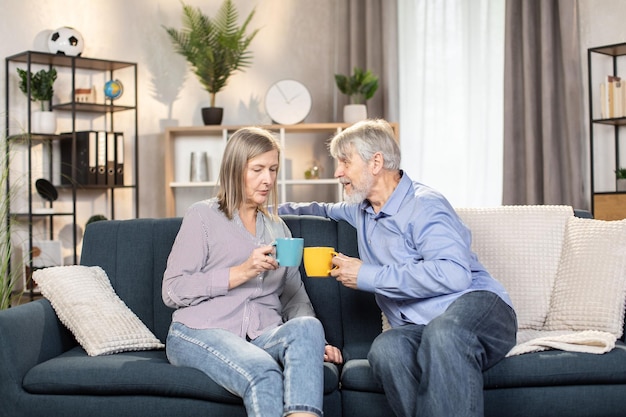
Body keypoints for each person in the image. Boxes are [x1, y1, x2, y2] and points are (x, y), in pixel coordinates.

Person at [279, 119, 517, 417]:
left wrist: (366, 274)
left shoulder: (425, 206)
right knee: (386, 349)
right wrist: (258, 207)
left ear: (375, 162)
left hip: (478, 308)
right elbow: (318, 209)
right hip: (423, 328)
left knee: (443, 335)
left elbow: (455, 273)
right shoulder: (361, 209)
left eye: (344, 162)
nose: (338, 172)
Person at [162, 127, 343, 417]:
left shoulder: (277, 227)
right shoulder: (203, 216)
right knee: (264, 371)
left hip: (261, 335)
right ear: (235, 170)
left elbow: (294, 295)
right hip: (201, 331)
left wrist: (314, 344)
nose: (268, 179)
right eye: (257, 169)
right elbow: (172, 290)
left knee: (309, 327)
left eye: (273, 169)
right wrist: (242, 271)